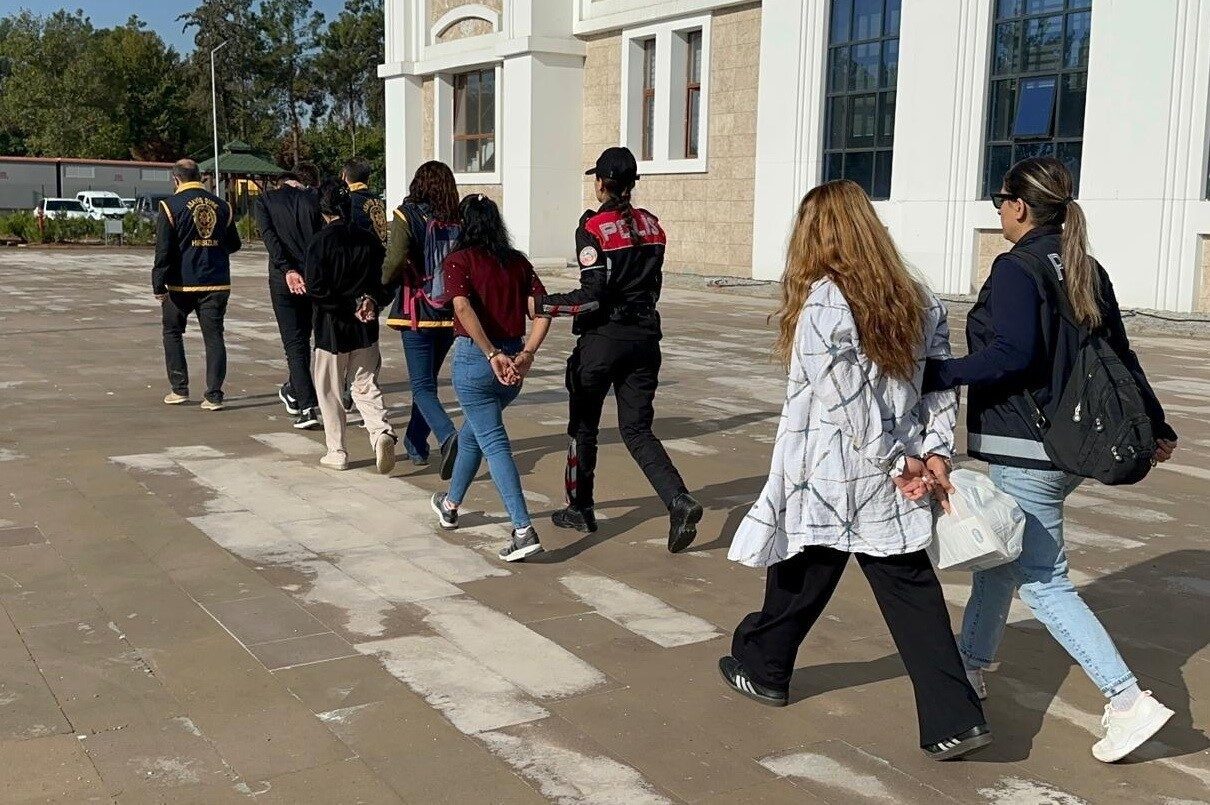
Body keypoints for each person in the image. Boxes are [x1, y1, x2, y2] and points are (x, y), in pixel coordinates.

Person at [720, 180, 991, 761]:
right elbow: (941, 385)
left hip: (836, 466)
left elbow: (843, 398)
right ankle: (955, 718)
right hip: (896, 468)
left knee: (805, 564)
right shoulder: (919, 295)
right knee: (900, 586)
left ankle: (764, 665)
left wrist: (900, 457)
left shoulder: (826, 299)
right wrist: (933, 450)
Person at [922, 156, 1179, 763]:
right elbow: (1120, 353)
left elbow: (1012, 354)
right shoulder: (1084, 264)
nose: (1000, 211)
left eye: (1001, 201)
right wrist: (1155, 422)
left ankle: (1126, 700)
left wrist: (936, 374)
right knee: (1000, 559)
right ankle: (969, 667)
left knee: (1042, 578)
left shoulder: (1017, 268)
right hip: (1070, 445)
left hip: (1028, 445)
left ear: (1018, 206)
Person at [540, 147, 702, 553]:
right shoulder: (653, 225)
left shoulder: (593, 228)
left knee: (583, 427)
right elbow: (652, 286)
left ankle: (580, 508)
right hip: (645, 338)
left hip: (603, 339)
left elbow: (591, 295)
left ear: (601, 183)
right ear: (631, 184)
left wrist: (543, 304)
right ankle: (678, 500)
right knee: (637, 429)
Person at [429, 194, 552, 562]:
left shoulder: (459, 261)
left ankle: (522, 529)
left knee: (493, 442)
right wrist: (526, 353)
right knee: (473, 435)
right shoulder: (518, 263)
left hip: (478, 361)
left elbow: (461, 306)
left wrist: (490, 352)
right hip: (512, 365)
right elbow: (543, 311)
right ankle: (451, 505)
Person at [304, 180, 397, 474]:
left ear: (322, 209)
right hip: (365, 325)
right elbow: (386, 279)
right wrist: (371, 301)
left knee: (330, 389)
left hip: (332, 327)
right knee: (366, 384)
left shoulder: (320, 241)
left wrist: (347, 305)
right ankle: (381, 431)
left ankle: (337, 450)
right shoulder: (368, 239)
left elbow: (317, 289)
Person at [382, 161, 461, 476]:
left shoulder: (406, 215)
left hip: (417, 308)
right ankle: (416, 443)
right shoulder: (456, 218)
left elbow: (394, 259)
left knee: (422, 386)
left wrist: (380, 283)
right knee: (427, 382)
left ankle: (447, 435)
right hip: (449, 311)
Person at [152, 159, 241, 411]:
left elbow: (163, 249)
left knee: (172, 332)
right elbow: (234, 244)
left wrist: (158, 283)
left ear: (176, 179)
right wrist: (212, 248)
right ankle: (214, 395)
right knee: (214, 337)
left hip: (181, 284)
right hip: (216, 281)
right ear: (200, 177)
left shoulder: (170, 206)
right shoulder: (222, 206)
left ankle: (179, 389)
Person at [254, 164, 323, 428]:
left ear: (280, 183)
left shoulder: (265, 201)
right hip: (314, 278)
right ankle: (298, 392)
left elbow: (269, 238)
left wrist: (287, 269)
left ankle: (306, 407)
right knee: (314, 339)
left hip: (283, 280)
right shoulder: (313, 199)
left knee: (295, 344)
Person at [343, 159, 389, 247]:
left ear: (344, 176)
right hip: (380, 250)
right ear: (368, 178)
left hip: (359, 251)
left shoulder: (348, 200)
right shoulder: (378, 200)